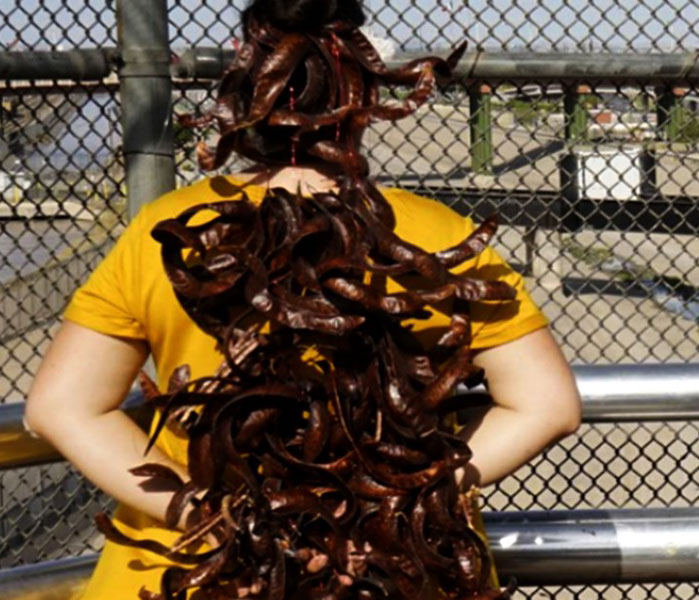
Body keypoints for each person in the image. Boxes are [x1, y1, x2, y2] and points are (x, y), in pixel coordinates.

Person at [23, 0, 580, 597]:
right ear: (362, 99)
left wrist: (217, 517)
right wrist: (385, 505)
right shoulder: (435, 233)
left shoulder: (170, 229)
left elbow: (60, 408)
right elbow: (547, 405)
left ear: (244, 93)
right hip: (393, 564)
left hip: (190, 573)